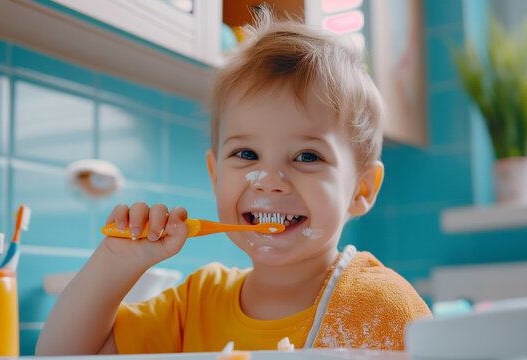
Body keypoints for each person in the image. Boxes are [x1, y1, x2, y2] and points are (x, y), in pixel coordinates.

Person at [36, 9, 431, 356]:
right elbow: (63, 356)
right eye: (246, 155)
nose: (270, 182)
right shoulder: (195, 305)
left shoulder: (384, 307)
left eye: (307, 156)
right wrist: (115, 264)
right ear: (215, 174)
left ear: (361, 190)